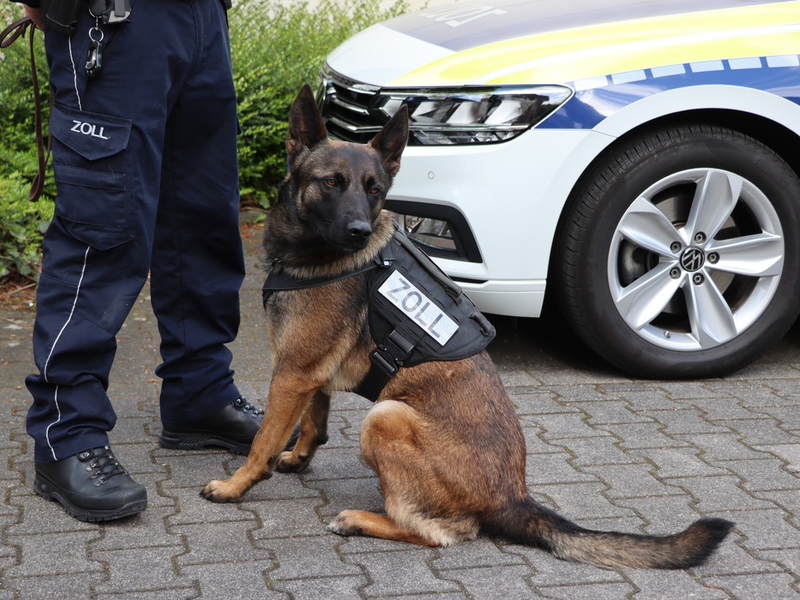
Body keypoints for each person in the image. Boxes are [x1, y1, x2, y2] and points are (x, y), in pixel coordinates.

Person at [13, 0, 285, 522]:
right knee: (101, 230)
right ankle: (67, 433)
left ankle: (199, 394)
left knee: (203, 216)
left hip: (203, 16)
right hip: (112, 16)